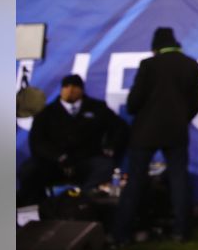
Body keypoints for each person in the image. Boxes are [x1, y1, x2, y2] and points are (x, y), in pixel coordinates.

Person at [113, 27, 198, 244]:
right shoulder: (192, 65)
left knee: (135, 180)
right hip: (176, 130)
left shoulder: (149, 65)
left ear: (156, 47)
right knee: (178, 179)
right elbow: (197, 100)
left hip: (145, 131)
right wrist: (182, 117)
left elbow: (134, 102)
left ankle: (121, 234)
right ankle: (182, 231)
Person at [18, 74, 127, 206]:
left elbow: (120, 127)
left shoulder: (97, 108)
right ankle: (38, 209)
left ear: (81, 89)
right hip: (54, 162)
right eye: (66, 86)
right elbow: (37, 141)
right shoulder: (47, 112)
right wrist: (58, 156)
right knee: (29, 171)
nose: (70, 90)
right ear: (61, 90)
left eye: (75, 86)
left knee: (104, 166)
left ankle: (85, 203)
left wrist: (110, 147)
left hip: (87, 159)